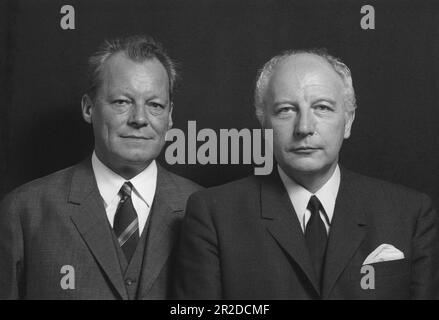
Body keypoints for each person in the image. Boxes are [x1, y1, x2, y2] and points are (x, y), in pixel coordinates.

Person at [173, 49, 439, 299]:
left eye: (322, 107)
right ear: (263, 122)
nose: (304, 127)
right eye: (286, 110)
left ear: (348, 121)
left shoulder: (410, 213)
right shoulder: (213, 215)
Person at [0, 35, 201, 299]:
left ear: (170, 114)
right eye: (122, 102)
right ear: (88, 108)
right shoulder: (24, 211)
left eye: (155, 105)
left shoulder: (202, 209)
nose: (139, 118)